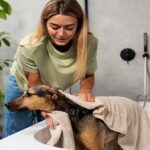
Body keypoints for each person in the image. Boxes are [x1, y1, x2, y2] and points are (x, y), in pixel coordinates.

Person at [3, 0, 98, 137]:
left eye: (69, 28)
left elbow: (88, 73)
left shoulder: (89, 43)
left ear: (79, 26)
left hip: (53, 88)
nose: (61, 34)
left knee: (51, 129)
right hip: (25, 84)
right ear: (45, 24)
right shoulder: (30, 46)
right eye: (54, 27)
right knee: (17, 131)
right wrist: (46, 111)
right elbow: (36, 86)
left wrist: (85, 91)